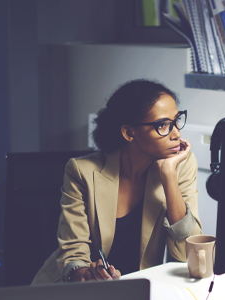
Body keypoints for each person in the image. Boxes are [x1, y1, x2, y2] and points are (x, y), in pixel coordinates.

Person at [32, 79, 202, 284]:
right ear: (130, 133)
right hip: (75, 291)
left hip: (137, 289)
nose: (177, 133)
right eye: (163, 125)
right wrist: (89, 275)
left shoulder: (179, 165)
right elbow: (72, 254)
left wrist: (168, 176)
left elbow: (189, 255)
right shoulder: (81, 171)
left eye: (176, 120)